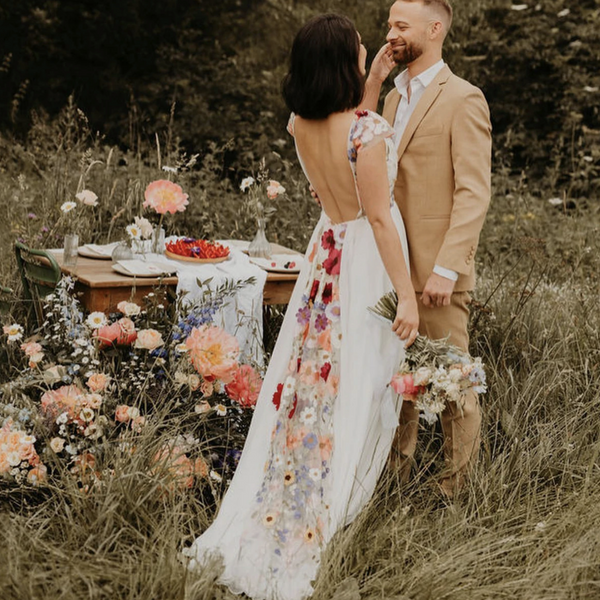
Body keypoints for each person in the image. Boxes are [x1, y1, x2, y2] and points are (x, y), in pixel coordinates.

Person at [183, 13, 417, 600]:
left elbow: (342, 127)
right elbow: (381, 218)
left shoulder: (299, 124)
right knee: (358, 376)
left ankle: (297, 473)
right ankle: (339, 495)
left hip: (326, 249)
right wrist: (408, 295)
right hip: (361, 259)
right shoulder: (369, 134)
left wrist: (375, 82)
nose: (370, 53)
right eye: (363, 51)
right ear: (345, 61)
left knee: (316, 376)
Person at [362, 0, 492, 497]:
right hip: (390, 266)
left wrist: (446, 269)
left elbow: (473, 193)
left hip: (436, 272)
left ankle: (455, 490)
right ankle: (396, 476)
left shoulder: (464, 98)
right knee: (399, 379)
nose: (389, 32)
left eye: (401, 25)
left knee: (452, 378)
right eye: (389, 23)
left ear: (435, 29)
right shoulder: (393, 98)